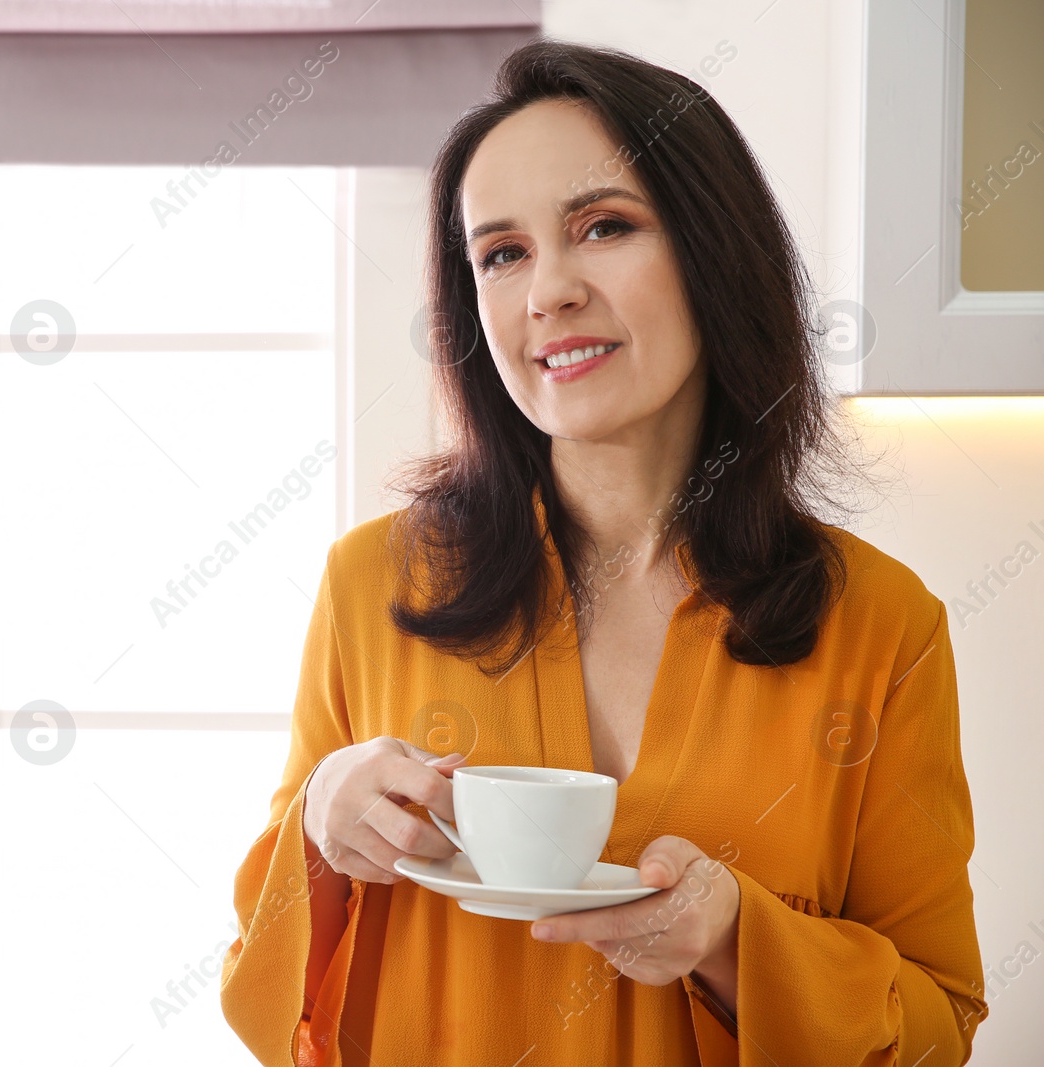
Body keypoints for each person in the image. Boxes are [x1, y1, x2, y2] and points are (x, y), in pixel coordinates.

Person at [219, 37, 989, 1067]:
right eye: (501, 253)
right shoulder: (373, 585)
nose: (548, 291)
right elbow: (263, 997)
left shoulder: (880, 625)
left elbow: (937, 1029)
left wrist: (730, 938)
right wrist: (322, 829)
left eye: (603, 227)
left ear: (713, 251)